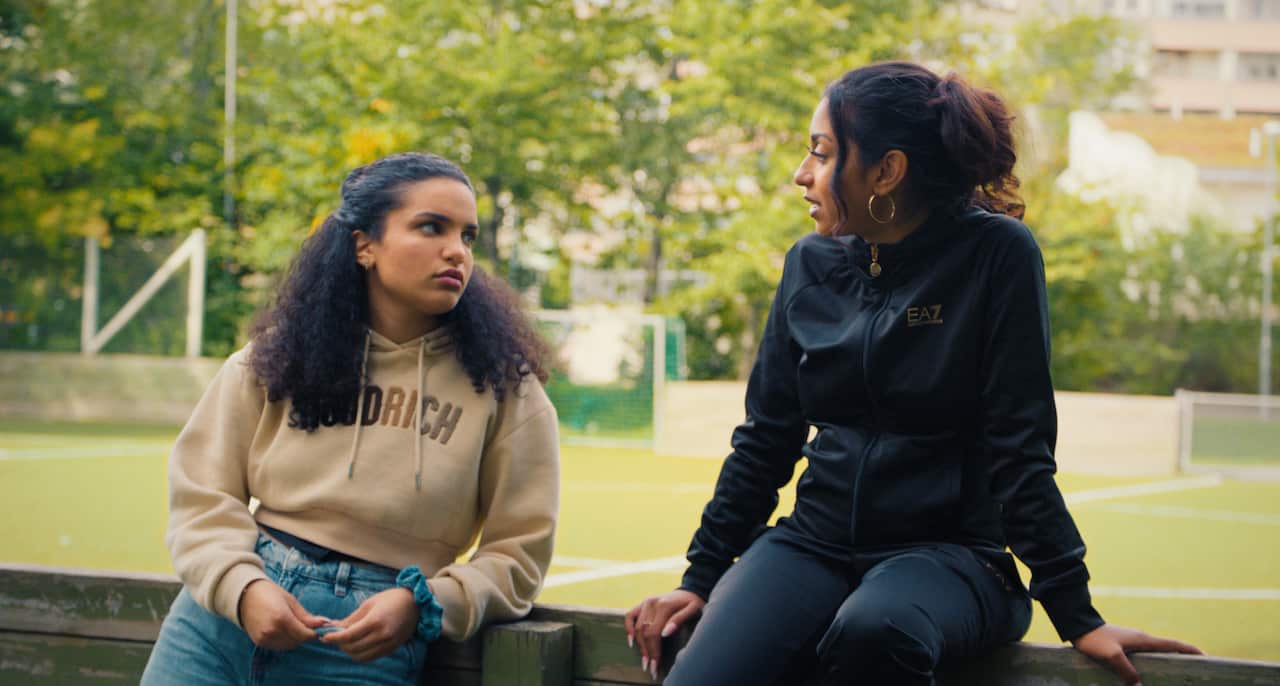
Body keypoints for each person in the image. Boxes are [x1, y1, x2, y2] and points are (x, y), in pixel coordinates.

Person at [626, 62, 1201, 686]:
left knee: (875, 629)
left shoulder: (997, 255)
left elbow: (1019, 448)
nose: (802, 173)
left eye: (821, 153)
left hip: (953, 562)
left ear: (886, 171)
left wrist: (1076, 613)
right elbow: (767, 437)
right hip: (810, 545)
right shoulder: (809, 264)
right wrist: (702, 576)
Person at [141, 152, 560, 685]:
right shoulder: (277, 356)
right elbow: (202, 492)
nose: (456, 251)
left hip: (365, 639)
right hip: (219, 624)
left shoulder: (506, 388)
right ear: (365, 245)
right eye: (431, 227)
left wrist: (423, 603)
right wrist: (242, 587)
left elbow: (519, 554)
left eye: (468, 236)